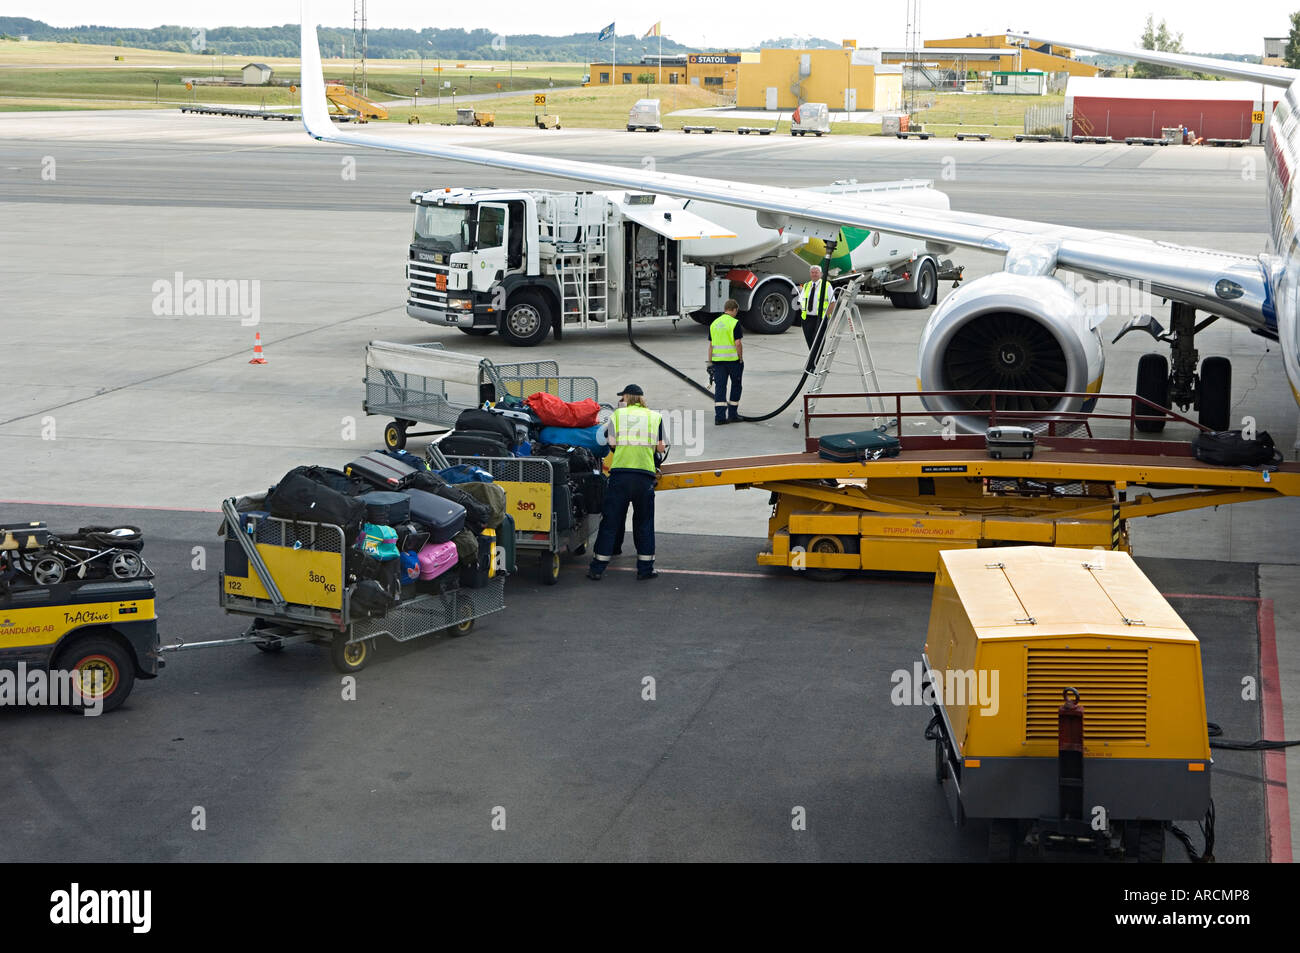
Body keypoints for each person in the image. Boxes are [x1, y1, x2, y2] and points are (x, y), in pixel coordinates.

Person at [587, 385, 667, 581]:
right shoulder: (655, 417)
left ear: (627, 398)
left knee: (610, 521)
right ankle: (645, 569)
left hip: (621, 475)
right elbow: (661, 447)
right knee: (644, 522)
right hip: (644, 476)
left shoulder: (617, 416)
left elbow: (612, 444)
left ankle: (597, 568)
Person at [707, 299, 744, 424]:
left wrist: (710, 362)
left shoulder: (714, 324)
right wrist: (740, 358)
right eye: (736, 311)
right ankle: (733, 414)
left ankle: (720, 418)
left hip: (718, 363)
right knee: (736, 386)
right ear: (734, 309)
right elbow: (738, 343)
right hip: (733, 361)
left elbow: (711, 345)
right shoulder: (734, 323)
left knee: (720, 388)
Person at [800, 265, 835, 370]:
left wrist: (826, 317)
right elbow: (801, 301)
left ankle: (815, 364)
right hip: (807, 318)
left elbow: (832, 303)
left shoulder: (826, 285)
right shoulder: (806, 285)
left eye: (816, 272)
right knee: (810, 341)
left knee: (819, 341)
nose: (814, 274)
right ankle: (813, 362)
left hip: (819, 318)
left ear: (821, 274)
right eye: (812, 272)